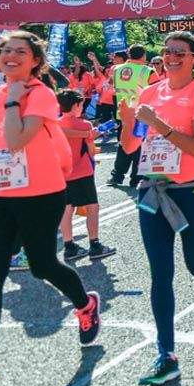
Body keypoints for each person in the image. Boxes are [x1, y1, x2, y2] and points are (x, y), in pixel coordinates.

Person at [0, 31, 101, 386]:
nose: (11, 56)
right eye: (6, 51)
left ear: (35, 60)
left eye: (21, 52)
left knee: (42, 266)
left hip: (40, 194)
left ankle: (85, 304)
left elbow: (17, 139)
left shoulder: (41, 94)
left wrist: (12, 103)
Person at [118, 31, 194, 386]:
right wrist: (128, 122)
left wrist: (160, 126)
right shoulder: (151, 91)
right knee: (160, 274)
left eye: (179, 53)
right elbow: (132, 142)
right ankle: (166, 354)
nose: (170, 57)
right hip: (152, 190)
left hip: (193, 191)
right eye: (167, 52)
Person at [57, 89, 115, 262]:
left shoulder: (56, 124)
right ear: (76, 105)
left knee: (67, 209)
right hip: (82, 172)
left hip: (63, 172)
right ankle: (95, 244)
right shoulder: (85, 125)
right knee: (92, 207)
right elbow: (90, 150)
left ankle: (69, 246)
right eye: (81, 105)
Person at [108, 44, 156, 187]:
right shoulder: (148, 71)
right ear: (144, 56)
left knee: (124, 144)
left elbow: (115, 89)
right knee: (140, 146)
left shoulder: (116, 70)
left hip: (123, 113)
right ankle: (136, 178)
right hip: (142, 114)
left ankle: (117, 176)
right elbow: (157, 92)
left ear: (129, 55)